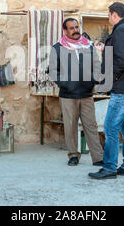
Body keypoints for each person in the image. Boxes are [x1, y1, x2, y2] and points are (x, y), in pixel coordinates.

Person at [89, 2, 124, 180]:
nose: (108, 18)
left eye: (108, 15)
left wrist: (111, 80)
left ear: (114, 15)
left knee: (110, 127)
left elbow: (121, 59)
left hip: (123, 88)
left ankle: (109, 168)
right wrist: (106, 50)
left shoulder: (121, 30)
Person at [49, 18, 104, 167]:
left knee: (91, 126)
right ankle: (73, 155)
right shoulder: (57, 48)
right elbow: (53, 72)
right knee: (70, 127)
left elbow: (97, 66)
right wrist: (66, 84)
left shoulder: (88, 46)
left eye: (76, 27)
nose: (75, 30)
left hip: (86, 95)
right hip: (68, 96)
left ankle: (97, 157)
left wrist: (93, 81)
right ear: (65, 31)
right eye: (71, 28)